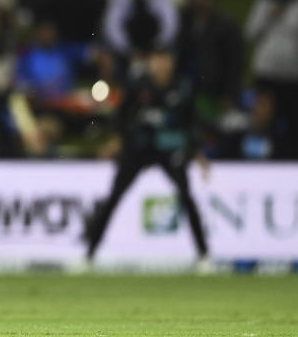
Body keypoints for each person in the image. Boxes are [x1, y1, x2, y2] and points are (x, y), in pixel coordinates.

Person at [85, 48, 210, 268]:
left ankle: (204, 255)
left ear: (172, 62)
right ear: (150, 62)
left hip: (170, 148)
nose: (160, 65)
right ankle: (89, 254)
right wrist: (116, 141)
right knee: (113, 198)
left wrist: (197, 153)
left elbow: (191, 123)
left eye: (165, 59)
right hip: (138, 148)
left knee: (187, 197)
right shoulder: (138, 85)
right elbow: (122, 116)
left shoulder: (182, 87)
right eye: (156, 59)